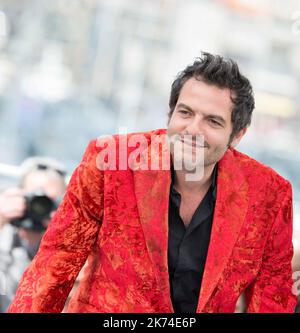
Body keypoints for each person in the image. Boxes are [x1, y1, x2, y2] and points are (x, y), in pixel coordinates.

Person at [8, 52, 297, 313]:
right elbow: (54, 265)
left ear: (238, 135)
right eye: (185, 113)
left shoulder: (270, 194)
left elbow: (273, 299)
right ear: (170, 114)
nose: (192, 130)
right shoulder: (110, 162)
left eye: (213, 121)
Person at [0, 157, 66, 311]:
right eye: (34, 198)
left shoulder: (71, 248)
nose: (39, 207)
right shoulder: (5, 236)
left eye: (48, 201)